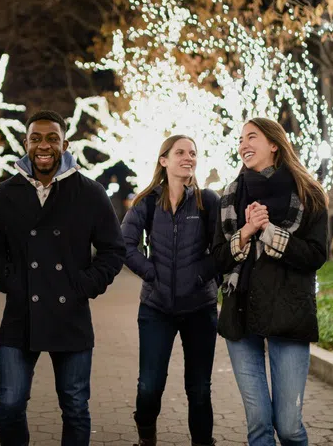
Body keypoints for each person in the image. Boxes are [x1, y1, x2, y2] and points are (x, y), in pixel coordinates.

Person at [0, 110, 126, 446]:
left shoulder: (89, 192)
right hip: (21, 313)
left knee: (75, 406)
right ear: (25, 143)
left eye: (52, 139)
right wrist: (12, 284)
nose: (43, 146)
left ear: (65, 144)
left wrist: (82, 286)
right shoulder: (5, 193)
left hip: (70, 314)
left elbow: (113, 250)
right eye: (36, 138)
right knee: (9, 403)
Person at [212, 118, 329, 446]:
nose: (243, 144)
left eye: (252, 137)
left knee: (289, 427)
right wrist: (246, 232)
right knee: (259, 424)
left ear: (274, 144)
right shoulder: (229, 197)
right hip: (241, 315)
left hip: (289, 314)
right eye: (240, 139)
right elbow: (217, 259)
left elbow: (316, 255)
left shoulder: (308, 194)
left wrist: (269, 232)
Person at [121, 135, 220, 446]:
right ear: (164, 160)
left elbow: (221, 251)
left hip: (200, 309)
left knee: (199, 389)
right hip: (156, 308)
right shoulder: (147, 202)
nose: (188, 157)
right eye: (180, 152)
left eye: (192, 153)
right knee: (149, 386)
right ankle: (146, 438)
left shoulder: (208, 201)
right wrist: (152, 274)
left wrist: (199, 276)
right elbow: (124, 245)